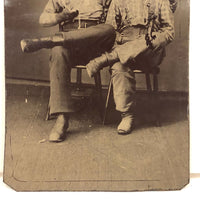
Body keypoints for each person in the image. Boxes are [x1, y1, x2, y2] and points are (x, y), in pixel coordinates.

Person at [21, 0, 116, 142]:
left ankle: (51, 40)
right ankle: (62, 119)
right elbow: (43, 19)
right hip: (68, 46)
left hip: (93, 45)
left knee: (109, 29)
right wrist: (62, 16)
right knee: (58, 51)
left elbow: (113, 22)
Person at [84, 0, 176, 135]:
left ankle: (106, 58)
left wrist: (154, 41)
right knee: (118, 65)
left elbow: (169, 31)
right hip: (124, 45)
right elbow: (110, 30)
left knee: (145, 42)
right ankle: (126, 115)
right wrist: (121, 41)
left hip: (149, 51)